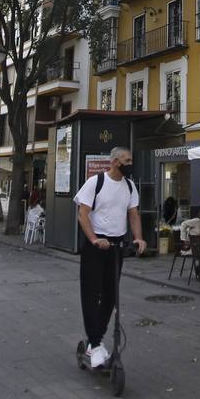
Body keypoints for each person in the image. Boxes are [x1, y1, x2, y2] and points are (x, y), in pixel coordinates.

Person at [74, 147, 146, 369]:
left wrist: (139, 239)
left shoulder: (130, 186)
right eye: (128, 159)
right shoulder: (96, 183)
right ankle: (95, 345)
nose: (131, 162)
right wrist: (95, 239)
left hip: (116, 247)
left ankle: (96, 339)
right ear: (115, 162)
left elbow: (133, 214)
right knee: (91, 295)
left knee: (110, 297)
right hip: (96, 246)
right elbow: (82, 214)